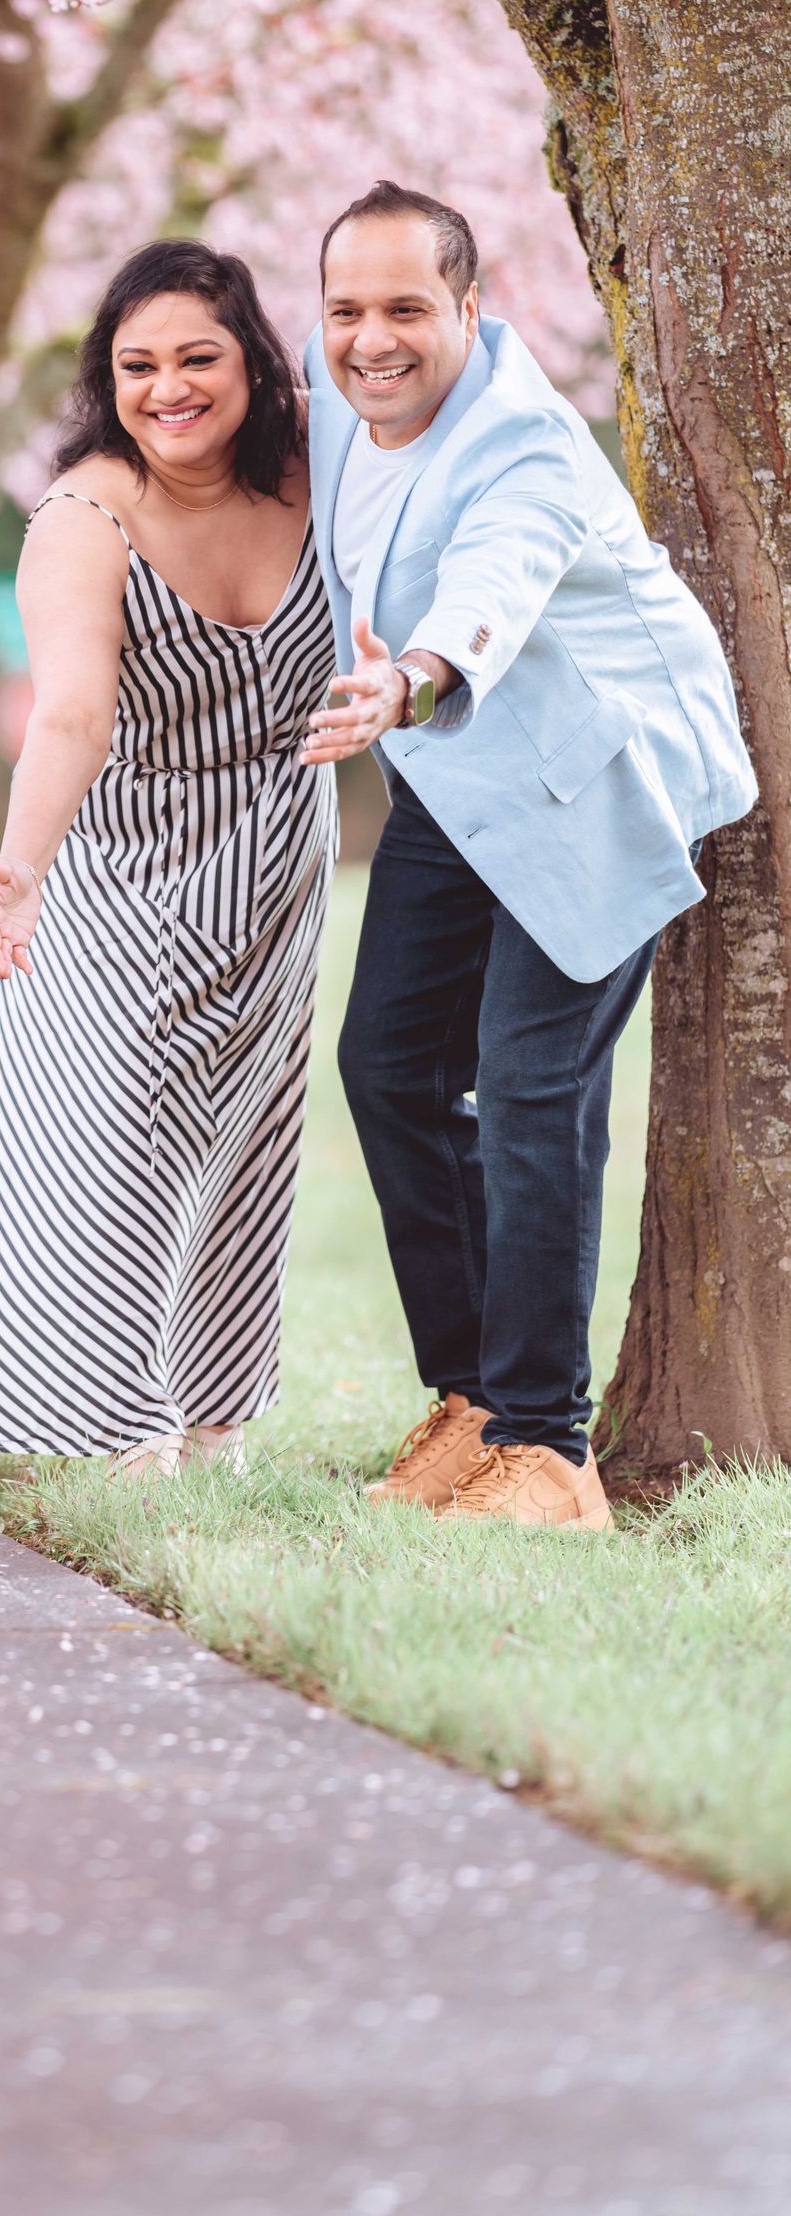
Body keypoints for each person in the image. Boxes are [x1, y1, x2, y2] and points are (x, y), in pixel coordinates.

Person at [302, 180, 754, 1531]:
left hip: (593, 778)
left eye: (405, 309)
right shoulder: (345, 412)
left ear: (471, 309)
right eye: (345, 310)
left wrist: (413, 680)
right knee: (385, 1063)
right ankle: (477, 1406)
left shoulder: (526, 450)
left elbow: (492, 583)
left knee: (531, 1080)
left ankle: (551, 1455)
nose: (371, 340)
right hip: (459, 776)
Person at [0, 240, 338, 1475]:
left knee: (243, 1138)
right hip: (126, 864)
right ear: (105, 379)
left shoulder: (321, 471)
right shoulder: (84, 516)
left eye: (197, 358)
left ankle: (212, 1426)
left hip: (278, 860)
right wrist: (17, 871)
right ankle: (106, 1429)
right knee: (85, 1136)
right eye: (138, 365)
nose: (168, 387)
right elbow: (71, 715)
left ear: (254, 362)